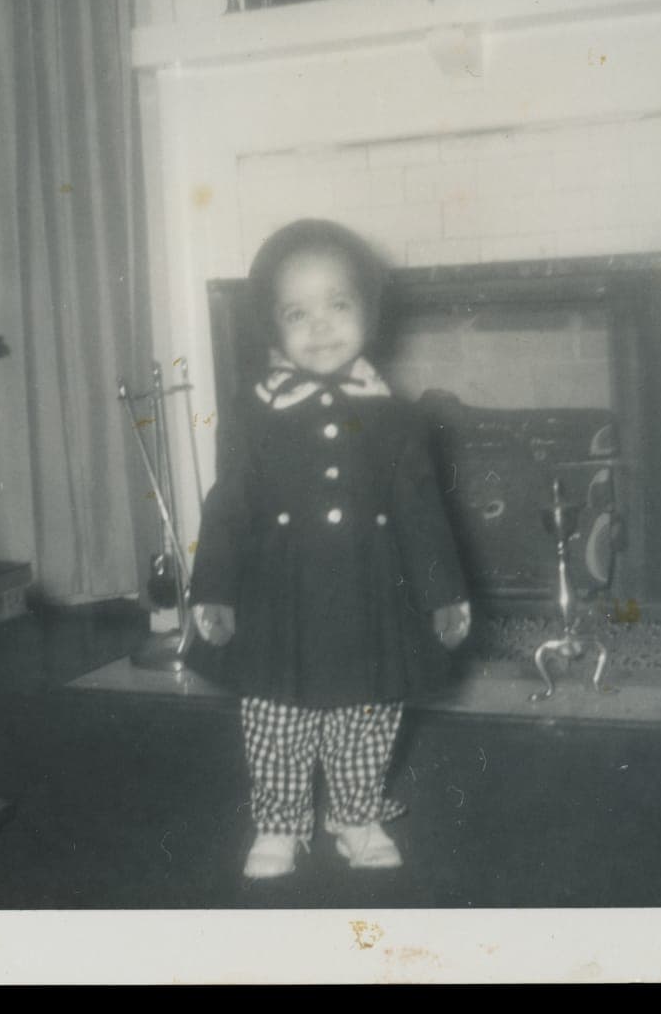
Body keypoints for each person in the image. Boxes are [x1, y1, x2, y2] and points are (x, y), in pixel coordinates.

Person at [186, 218, 471, 880]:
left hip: (371, 591)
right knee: (276, 714)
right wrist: (214, 588)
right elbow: (228, 505)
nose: (320, 326)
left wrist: (444, 593)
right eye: (297, 313)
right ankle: (279, 822)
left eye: (338, 305)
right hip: (279, 594)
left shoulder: (396, 416)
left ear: (369, 312)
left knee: (368, 711)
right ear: (272, 327)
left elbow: (421, 512)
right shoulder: (254, 410)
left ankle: (356, 813)